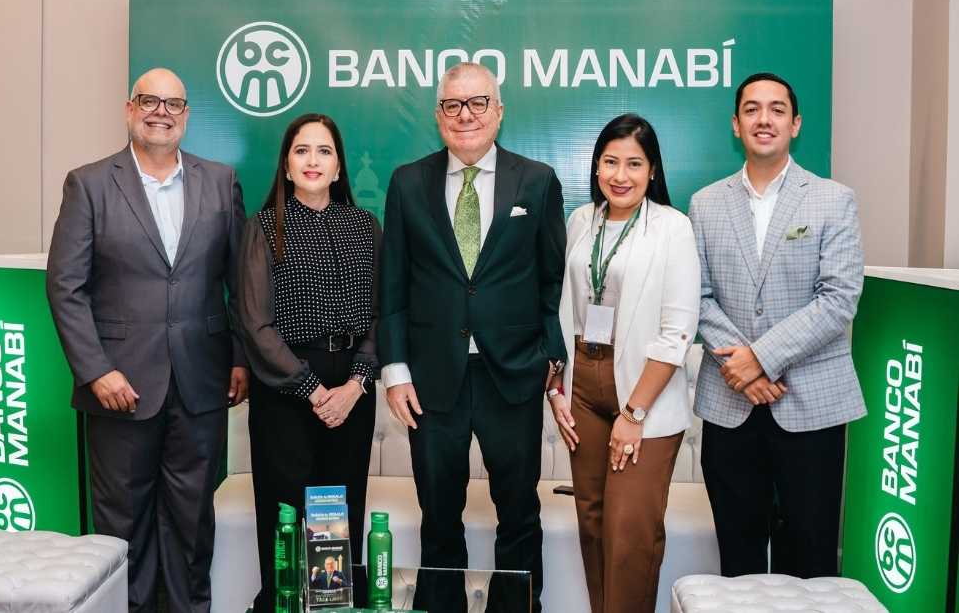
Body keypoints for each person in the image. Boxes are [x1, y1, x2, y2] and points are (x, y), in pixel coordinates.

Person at [46, 67, 248, 612]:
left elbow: (238, 283)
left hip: (201, 385)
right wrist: (95, 369)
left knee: (191, 525)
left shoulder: (220, 180)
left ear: (186, 115)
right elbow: (65, 286)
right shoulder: (88, 183)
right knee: (121, 529)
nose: (162, 111)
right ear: (129, 109)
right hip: (119, 386)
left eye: (174, 104)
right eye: (149, 101)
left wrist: (238, 358)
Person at [378, 62, 567, 613]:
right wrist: (394, 372)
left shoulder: (537, 181)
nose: (465, 115)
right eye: (452, 105)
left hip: (511, 373)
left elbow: (553, 280)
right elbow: (391, 286)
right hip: (431, 379)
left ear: (499, 110)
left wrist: (550, 358)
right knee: (438, 514)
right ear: (438, 114)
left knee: (518, 512)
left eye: (478, 103)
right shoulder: (407, 181)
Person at [689, 72, 865, 578]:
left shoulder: (833, 199)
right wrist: (743, 369)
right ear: (735, 124)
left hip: (812, 403)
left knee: (810, 558)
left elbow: (838, 299)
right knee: (738, 560)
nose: (763, 119)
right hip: (730, 404)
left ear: (795, 124)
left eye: (776, 109)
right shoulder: (705, 203)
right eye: (751, 109)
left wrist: (759, 359)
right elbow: (695, 297)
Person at [547, 114, 700, 613]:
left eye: (634, 163)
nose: (620, 175)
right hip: (583, 385)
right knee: (591, 521)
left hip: (643, 393)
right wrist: (555, 387)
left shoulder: (672, 228)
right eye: (610, 162)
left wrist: (633, 416)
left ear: (652, 170)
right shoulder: (579, 221)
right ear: (595, 167)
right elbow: (562, 310)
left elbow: (677, 333)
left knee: (629, 529)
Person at [237, 113, 380, 612]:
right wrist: (314, 391)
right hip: (287, 392)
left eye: (323, 151)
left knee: (339, 516)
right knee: (286, 516)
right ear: (287, 164)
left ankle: (336, 607)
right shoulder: (263, 229)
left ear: (339, 167)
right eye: (302, 151)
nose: (312, 160)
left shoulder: (365, 227)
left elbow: (381, 314)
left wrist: (357, 383)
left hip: (354, 390)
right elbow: (256, 325)